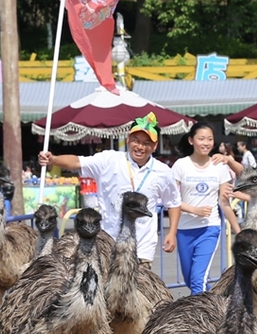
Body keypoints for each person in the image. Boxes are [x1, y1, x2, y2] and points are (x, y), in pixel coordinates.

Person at [38, 112, 181, 264]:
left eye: (147, 143)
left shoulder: (163, 171)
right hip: (108, 245)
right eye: (136, 140)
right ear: (128, 139)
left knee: (138, 287)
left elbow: (173, 203)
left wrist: (172, 233)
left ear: (155, 145)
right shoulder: (109, 160)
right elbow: (77, 162)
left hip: (142, 249)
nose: (140, 147)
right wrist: (53, 159)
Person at [171, 122, 233, 294]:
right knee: (190, 279)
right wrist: (193, 210)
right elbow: (172, 199)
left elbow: (224, 202)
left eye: (210, 139)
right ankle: (216, 306)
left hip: (209, 228)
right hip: (184, 229)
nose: (206, 143)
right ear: (191, 140)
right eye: (201, 139)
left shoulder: (219, 166)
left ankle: (198, 320)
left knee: (198, 280)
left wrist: (238, 229)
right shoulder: (180, 165)